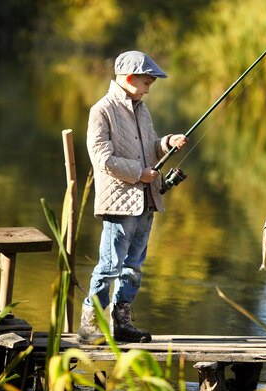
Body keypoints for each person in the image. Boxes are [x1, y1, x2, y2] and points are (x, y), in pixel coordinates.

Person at [78, 51, 188, 343]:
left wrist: (166, 143)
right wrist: (139, 173)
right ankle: (90, 325)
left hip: (146, 200)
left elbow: (148, 147)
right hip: (119, 201)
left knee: (134, 266)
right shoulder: (101, 111)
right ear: (129, 79)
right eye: (147, 80)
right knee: (109, 265)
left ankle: (121, 322)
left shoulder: (142, 109)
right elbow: (102, 158)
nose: (150, 85)